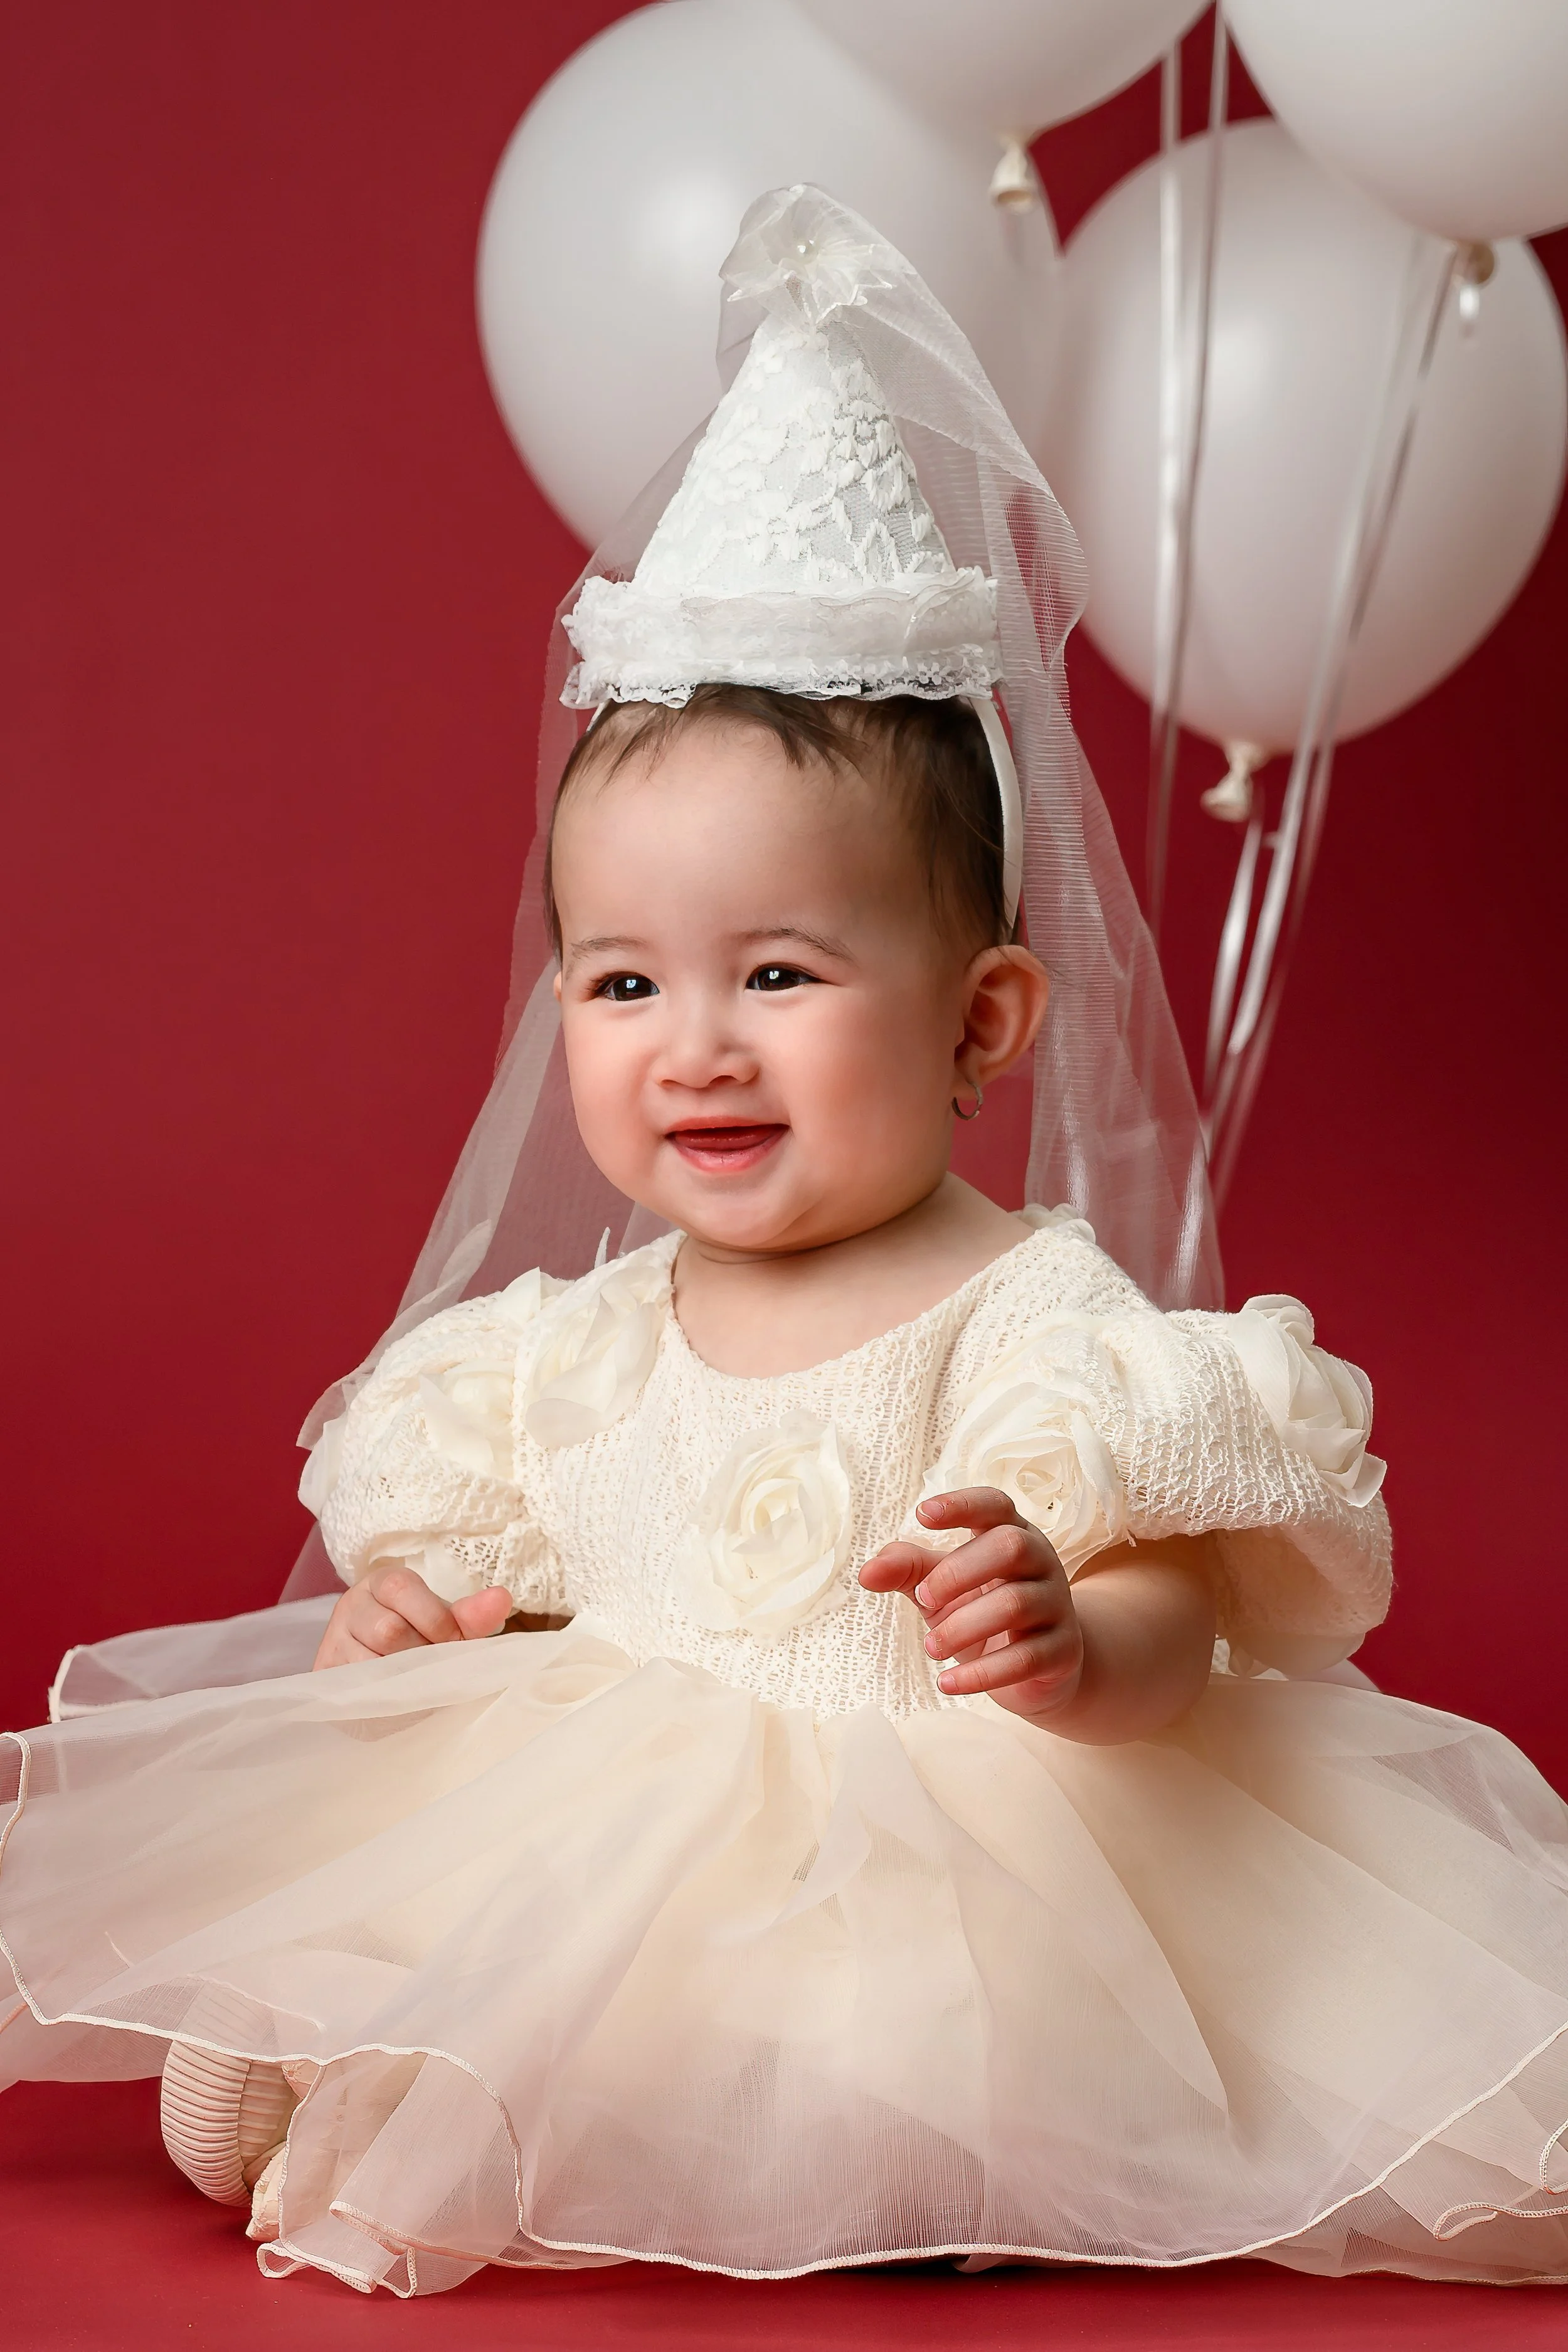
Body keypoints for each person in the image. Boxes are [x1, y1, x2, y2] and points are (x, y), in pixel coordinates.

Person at [3, 189, 1565, 2299]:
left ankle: (866, 2160)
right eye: (622, 983)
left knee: (900, 2051)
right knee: (311, 2044)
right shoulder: (564, 1354)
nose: (696, 1047)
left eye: (784, 972)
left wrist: (1066, 1635)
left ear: (982, 1022)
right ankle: (555, 2091)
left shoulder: (1035, 1313)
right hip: (635, 1832)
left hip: (966, 1845)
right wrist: (406, 1647)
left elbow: (1183, 1636)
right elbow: (507, 1602)